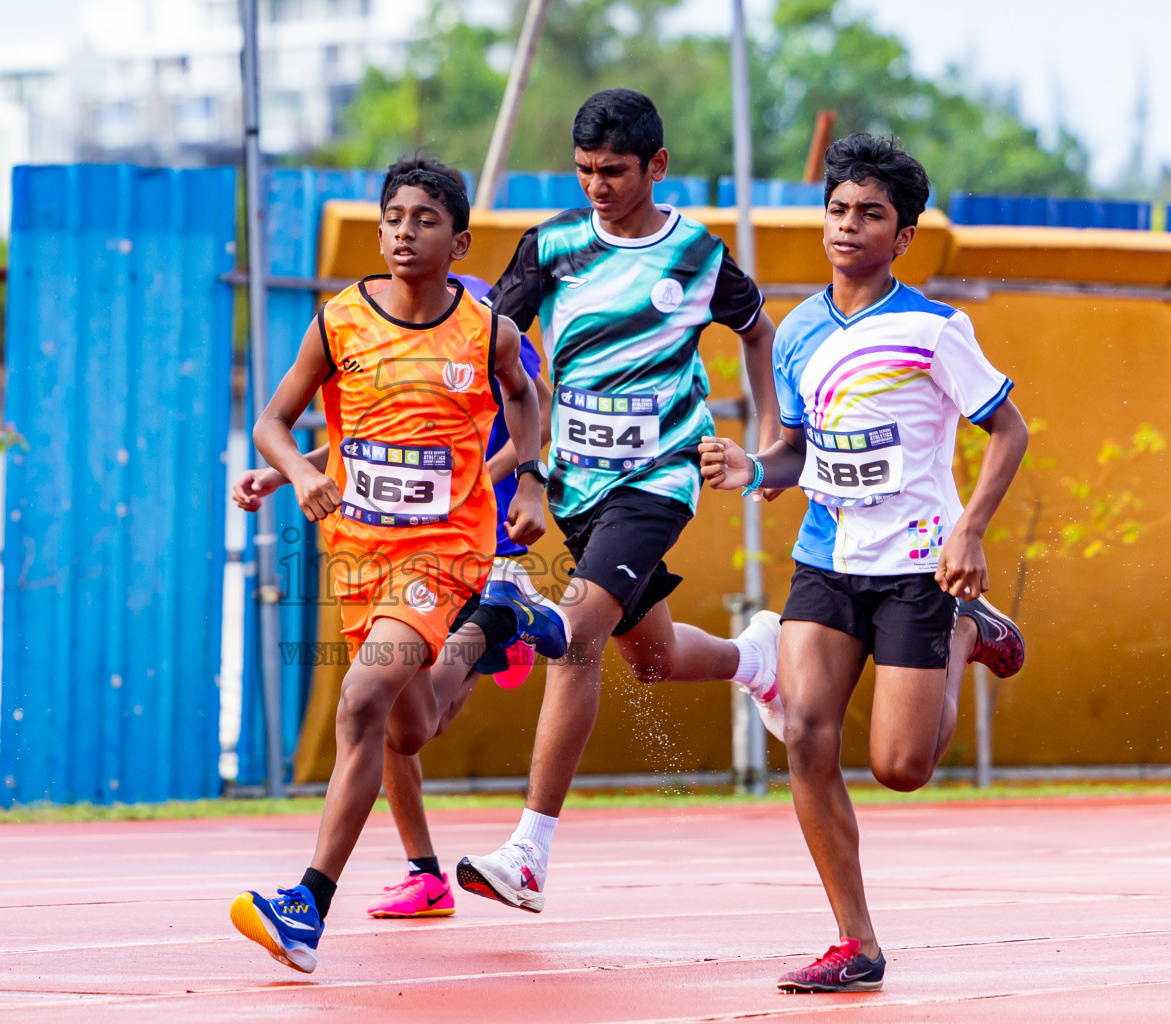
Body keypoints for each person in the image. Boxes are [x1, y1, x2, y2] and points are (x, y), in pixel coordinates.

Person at [699, 133, 1029, 992]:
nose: (849, 226)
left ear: (903, 235)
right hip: (828, 556)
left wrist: (972, 532)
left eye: (870, 214)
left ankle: (963, 635)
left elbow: (1009, 431)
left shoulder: (933, 328)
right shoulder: (799, 330)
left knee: (901, 768)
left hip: (921, 565)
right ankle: (856, 942)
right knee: (806, 735)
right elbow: (796, 452)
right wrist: (753, 469)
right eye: (838, 209)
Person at [457, 88, 786, 914]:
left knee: (571, 634)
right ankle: (758, 661)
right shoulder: (553, 246)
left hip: (660, 479)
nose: (598, 186)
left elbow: (758, 333)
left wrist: (773, 440)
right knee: (653, 660)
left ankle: (528, 854)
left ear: (657, 167)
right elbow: (492, 346)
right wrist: (505, 465)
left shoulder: (699, 256)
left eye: (614, 172)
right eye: (585, 171)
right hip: (576, 481)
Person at [230, 156, 557, 973]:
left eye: (425, 220)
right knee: (410, 728)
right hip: (358, 552)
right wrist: (300, 472)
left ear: (461, 240)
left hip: (443, 548)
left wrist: (525, 476)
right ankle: (496, 625)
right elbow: (274, 419)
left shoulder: (488, 332)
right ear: (378, 230)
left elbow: (526, 398)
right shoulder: (340, 322)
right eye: (395, 219)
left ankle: (307, 904)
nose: (406, 233)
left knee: (362, 697)